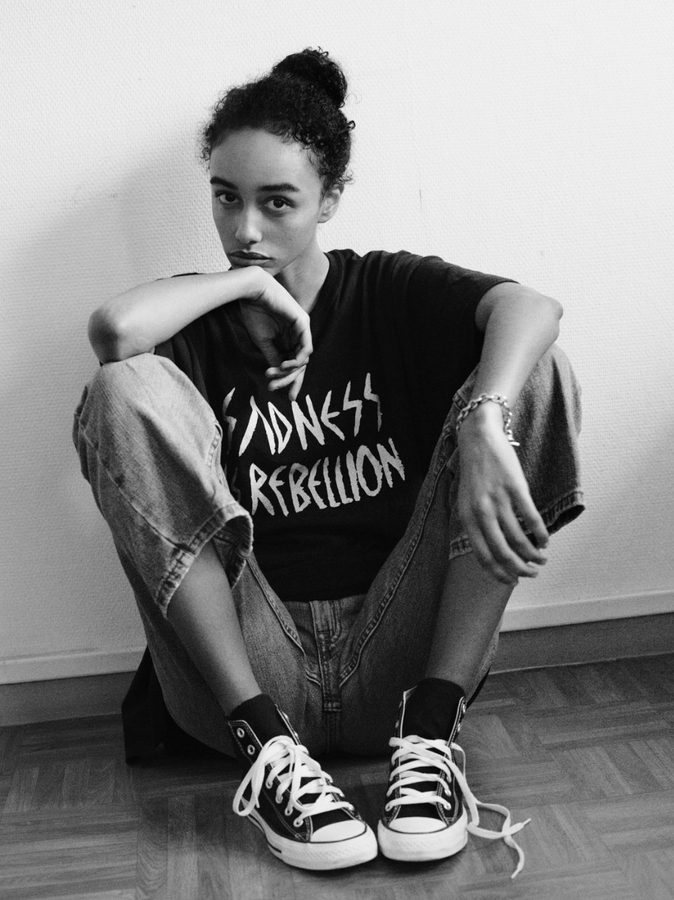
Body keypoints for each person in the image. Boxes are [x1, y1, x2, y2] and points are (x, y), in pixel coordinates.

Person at [74, 48, 583, 877]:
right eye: (226, 198)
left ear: (331, 199)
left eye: (278, 202)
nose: (246, 231)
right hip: (249, 666)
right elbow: (113, 333)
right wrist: (246, 287)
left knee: (530, 368)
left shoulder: (384, 288)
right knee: (121, 388)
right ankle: (270, 750)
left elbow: (533, 307)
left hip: (399, 652)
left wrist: (485, 421)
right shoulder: (195, 315)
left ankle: (432, 731)